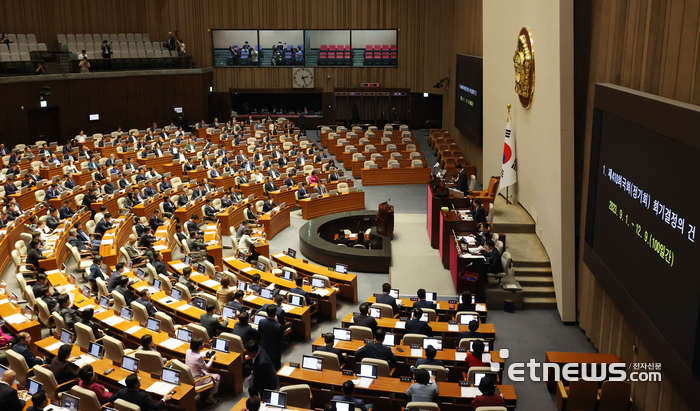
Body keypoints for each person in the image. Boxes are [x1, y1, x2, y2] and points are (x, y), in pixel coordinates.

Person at [108, 373, 173, 411]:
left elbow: (110, 399)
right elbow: (155, 406)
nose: (140, 381)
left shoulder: (122, 391)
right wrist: (164, 399)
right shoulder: (142, 396)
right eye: (139, 380)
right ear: (136, 385)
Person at [185, 338, 220, 403]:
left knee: (206, 372)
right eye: (202, 344)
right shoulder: (199, 357)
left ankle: (205, 393)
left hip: (189, 377)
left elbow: (195, 356)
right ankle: (210, 397)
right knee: (217, 376)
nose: (204, 344)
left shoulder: (188, 351)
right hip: (197, 380)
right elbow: (206, 367)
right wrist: (212, 359)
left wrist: (204, 354)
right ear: (199, 346)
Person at [259, 304, 284, 370]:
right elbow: (282, 338)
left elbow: (259, 333)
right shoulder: (278, 326)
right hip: (275, 350)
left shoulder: (261, 322)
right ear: (275, 313)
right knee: (277, 366)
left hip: (263, 347)